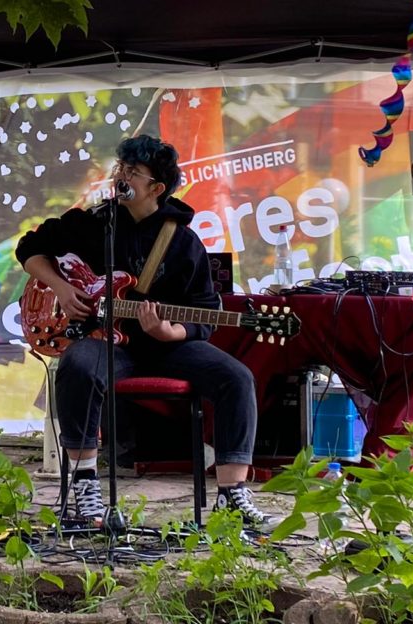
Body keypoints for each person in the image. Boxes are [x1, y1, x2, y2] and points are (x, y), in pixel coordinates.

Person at [15, 134, 273, 526]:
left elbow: (204, 312)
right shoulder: (92, 223)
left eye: (132, 172)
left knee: (236, 377)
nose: (121, 176)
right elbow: (29, 249)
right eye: (120, 168)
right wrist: (62, 288)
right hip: (104, 341)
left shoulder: (183, 242)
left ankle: (232, 494)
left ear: (156, 188)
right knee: (78, 366)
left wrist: (173, 333)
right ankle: (84, 485)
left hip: (164, 346)